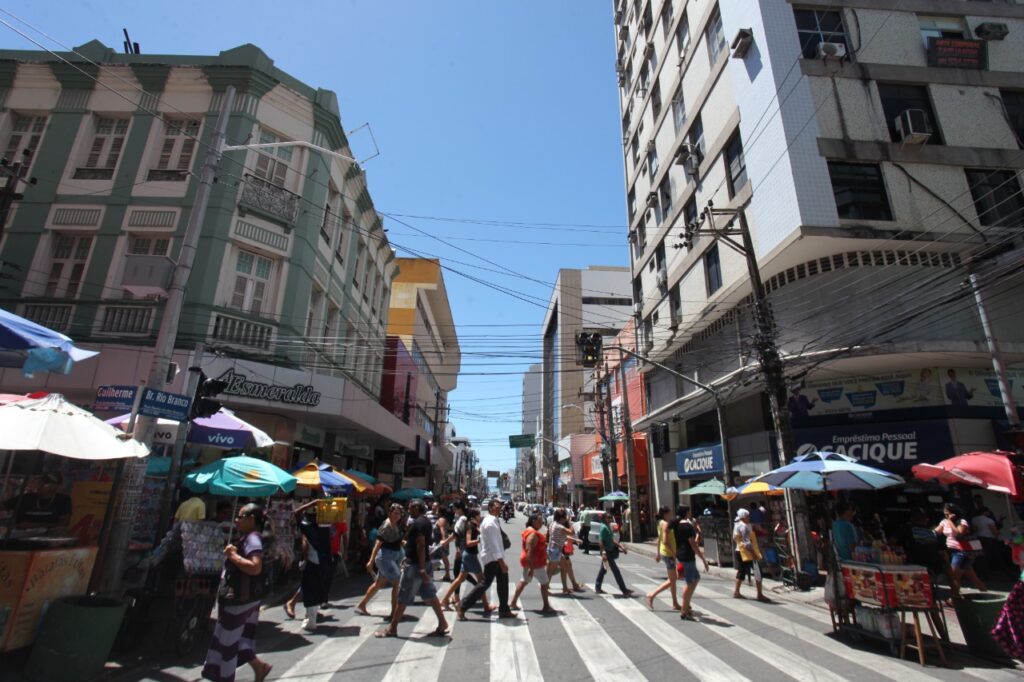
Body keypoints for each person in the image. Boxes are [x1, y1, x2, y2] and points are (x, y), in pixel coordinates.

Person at [201, 503, 272, 682]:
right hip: (247, 599)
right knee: (237, 638)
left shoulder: (253, 539)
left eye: (240, 517)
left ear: (251, 519)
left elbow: (255, 567)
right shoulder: (251, 537)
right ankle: (259, 666)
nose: (236, 520)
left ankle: (225, 678)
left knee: (227, 644)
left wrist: (233, 555)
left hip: (240, 599)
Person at [377, 499, 449, 638]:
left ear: (417, 508)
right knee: (430, 595)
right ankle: (442, 622)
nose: (408, 510)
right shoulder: (425, 521)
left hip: (416, 566)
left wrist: (421, 569)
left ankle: (392, 628)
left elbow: (421, 545)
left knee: (403, 596)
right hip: (422, 563)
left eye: (410, 508)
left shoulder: (419, 523)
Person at [456, 499, 515, 620]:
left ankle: (504, 609)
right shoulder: (490, 523)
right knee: (484, 583)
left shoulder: (493, 520)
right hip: (493, 558)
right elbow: (494, 544)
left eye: (500, 507)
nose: (499, 509)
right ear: (490, 508)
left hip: (495, 557)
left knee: (503, 581)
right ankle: (463, 606)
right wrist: (501, 561)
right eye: (496, 507)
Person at [355, 504, 404, 617]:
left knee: (378, 584)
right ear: (390, 513)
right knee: (397, 583)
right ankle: (394, 613)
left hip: (391, 557)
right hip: (386, 558)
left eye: (399, 514)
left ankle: (362, 604)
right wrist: (371, 561)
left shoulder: (394, 524)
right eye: (395, 513)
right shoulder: (387, 525)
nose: (398, 516)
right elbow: (378, 543)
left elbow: (392, 540)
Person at [290, 499, 332, 631]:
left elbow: (296, 513)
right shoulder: (326, 526)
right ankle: (309, 617)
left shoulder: (308, 526)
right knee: (316, 589)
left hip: (314, 561)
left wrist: (313, 503)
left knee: (310, 589)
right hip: (324, 561)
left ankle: (311, 620)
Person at [440, 508, 491, 612]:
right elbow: (468, 542)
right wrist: (479, 540)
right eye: (478, 515)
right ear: (474, 516)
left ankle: (444, 601)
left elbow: (481, 531)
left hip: (468, 555)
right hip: (470, 555)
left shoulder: (473, 525)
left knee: (459, 579)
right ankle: (486, 606)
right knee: (481, 582)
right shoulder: (469, 526)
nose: (479, 517)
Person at [936, 502, 986, 599]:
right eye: (945, 513)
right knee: (973, 577)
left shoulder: (961, 521)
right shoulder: (944, 521)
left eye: (948, 513)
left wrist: (950, 522)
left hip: (962, 552)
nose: (946, 515)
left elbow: (959, 534)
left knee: (954, 576)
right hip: (953, 551)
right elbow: (937, 532)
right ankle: (985, 593)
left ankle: (954, 597)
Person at [510, 512, 554, 613]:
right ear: (533, 521)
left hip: (531, 561)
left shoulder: (530, 531)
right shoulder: (533, 533)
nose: (542, 523)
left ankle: (513, 602)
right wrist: (531, 567)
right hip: (535, 563)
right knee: (545, 583)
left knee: (524, 581)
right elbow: (529, 549)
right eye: (540, 521)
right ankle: (546, 606)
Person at [674, 505, 710, 619]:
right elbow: (693, 544)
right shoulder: (687, 526)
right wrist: (703, 559)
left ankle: (686, 604)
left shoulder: (677, 525)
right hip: (688, 556)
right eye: (689, 511)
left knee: (695, 578)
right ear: (686, 512)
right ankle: (685, 609)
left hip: (681, 554)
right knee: (689, 582)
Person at [3, 472, 72, 528]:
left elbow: (64, 523)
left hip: (49, 539)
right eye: (39, 482)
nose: (40, 485)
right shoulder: (25, 498)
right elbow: (3, 506)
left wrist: (34, 526)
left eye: (45, 484)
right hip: (20, 538)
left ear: (56, 486)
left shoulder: (63, 500)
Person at [646, 506, 679, 611]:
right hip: (668, 553)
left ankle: (675, 602)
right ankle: (652, 594)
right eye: (670, 513)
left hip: (664, 552)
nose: (671, 515)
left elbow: (659, 539)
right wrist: (674, 553)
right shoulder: (665, 524)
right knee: (673, 579)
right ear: (665, 514)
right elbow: (664, 540)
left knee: (672, 580)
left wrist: (658, 553)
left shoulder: (660, 523)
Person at [733, 508, 768, 602]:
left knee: (741, 571)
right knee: (758, 572)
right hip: (748, 553)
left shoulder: (737, 525)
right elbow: (747, 543)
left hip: (739, 551)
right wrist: (754, 554)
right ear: (744, 517)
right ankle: (759, 594)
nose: (749, 517)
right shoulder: (744, 527)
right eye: (748, 516)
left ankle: (736, 592)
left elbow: (735, 538)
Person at [595, 511, 633, 597]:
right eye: (607, 517)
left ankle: (597, 587)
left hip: (610, 552)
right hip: (607, 552)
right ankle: (624, 589)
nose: (609, 519)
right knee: (616, 571)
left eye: (610, 517)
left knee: (603, 570)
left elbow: (612, 540)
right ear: (604, 518)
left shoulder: (608, 527)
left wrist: (621, 546)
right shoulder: (604, 528)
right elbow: (601, 541)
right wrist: (603, 553)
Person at [547, 508, 583, 594]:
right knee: (551, 571)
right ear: (562, 518)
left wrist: (575, 540)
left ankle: (565, 588)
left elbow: (563, 536)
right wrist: (569, 522)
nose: (565, 520)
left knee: (564, 568)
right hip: (555, 551)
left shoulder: (553, 524)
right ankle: (545, 588)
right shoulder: (560, 526)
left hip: (555, 550)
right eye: (565, 518)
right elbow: (572, 532)